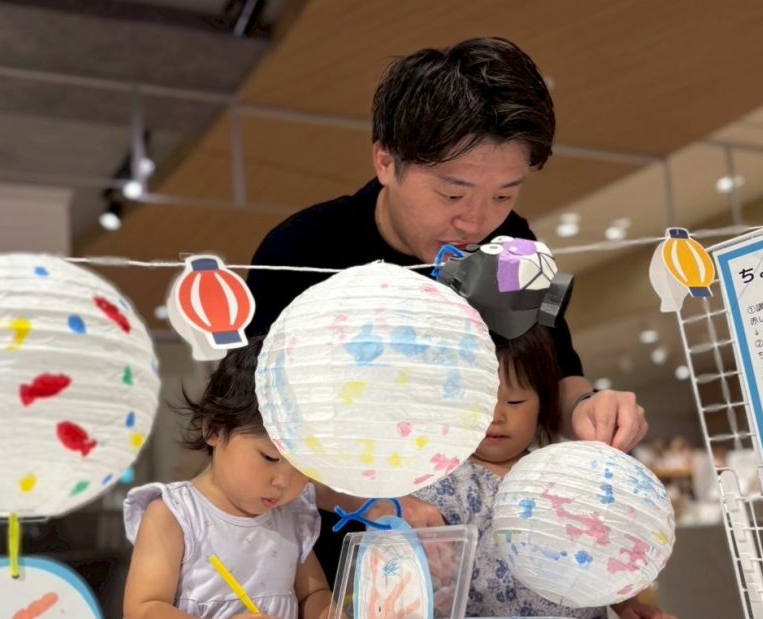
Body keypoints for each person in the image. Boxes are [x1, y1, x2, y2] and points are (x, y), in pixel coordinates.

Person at [245, 36, 646, 576]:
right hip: (333, 562)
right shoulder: (302, 252)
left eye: (504, 194)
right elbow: (253, 437)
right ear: (386, 160)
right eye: (452, 194)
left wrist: (591, 410)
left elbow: (557, 372)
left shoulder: (512, 247)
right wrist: (372, 502)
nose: (475, 221)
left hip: (478, 565)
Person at [412, 327, 680, 619]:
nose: (496, 416)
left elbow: (596, 549)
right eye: (480, 402)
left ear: (543, 405)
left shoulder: (567, 476)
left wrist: (627, 604)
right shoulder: (436, 484)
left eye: (515, 402)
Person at [118, 339, 334, 619]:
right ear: (214, 430)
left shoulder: (291, 515)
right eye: (270, 457)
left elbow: (313, 595)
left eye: (303, 467)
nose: (283, 482)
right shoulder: (173, 514)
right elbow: (143, 614)